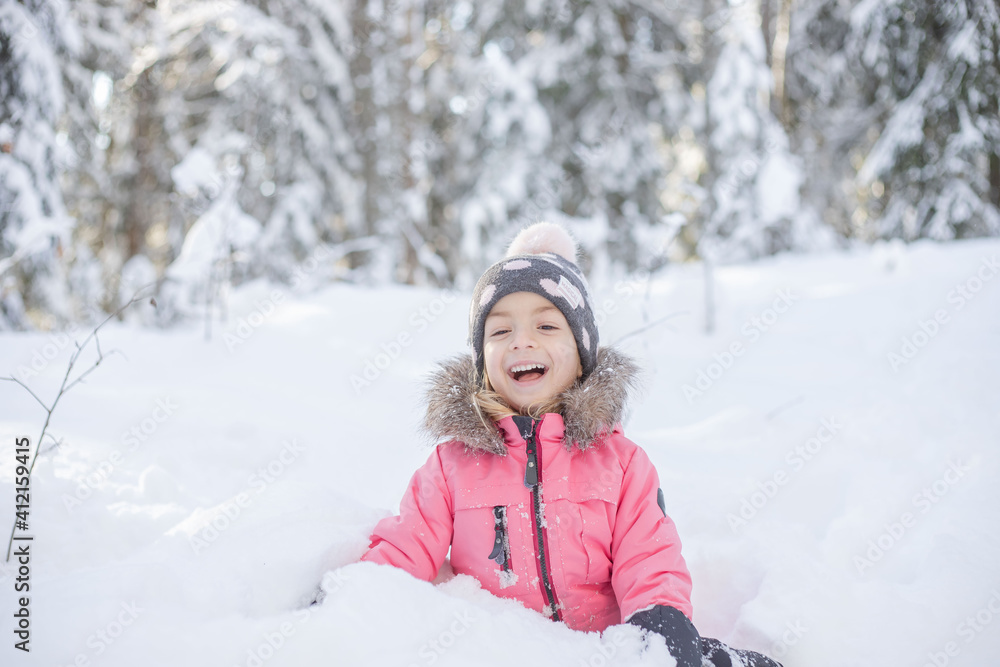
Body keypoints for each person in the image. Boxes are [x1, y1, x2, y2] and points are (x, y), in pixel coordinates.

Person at [360, 222, 782, 667]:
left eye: (546, 325)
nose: (522, 340)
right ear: (482, 364)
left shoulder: (621, 464)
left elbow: (649, 559)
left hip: (607, 653)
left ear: (581, 355)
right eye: (499, 332)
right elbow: (405, 548)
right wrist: (357, 597)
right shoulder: (451, 466)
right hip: (499, 653)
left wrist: (660, 630)